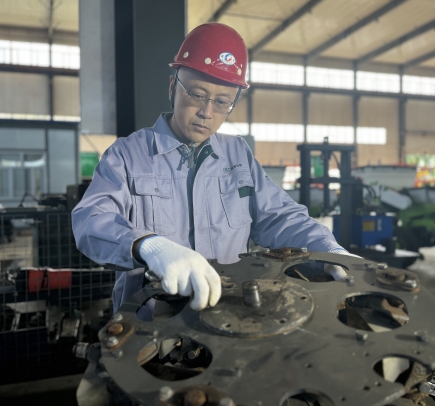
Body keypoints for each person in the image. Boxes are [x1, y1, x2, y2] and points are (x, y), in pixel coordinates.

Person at [72, 23, 350, 315]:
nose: (207, 112)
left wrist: (329, 250)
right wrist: (148, 246)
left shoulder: (237, 154)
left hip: (229, 317)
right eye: (196, 94)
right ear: (173, 87)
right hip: (151, 324)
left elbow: (280, 217)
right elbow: (91, 221)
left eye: (221, 102)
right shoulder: (127, 155)